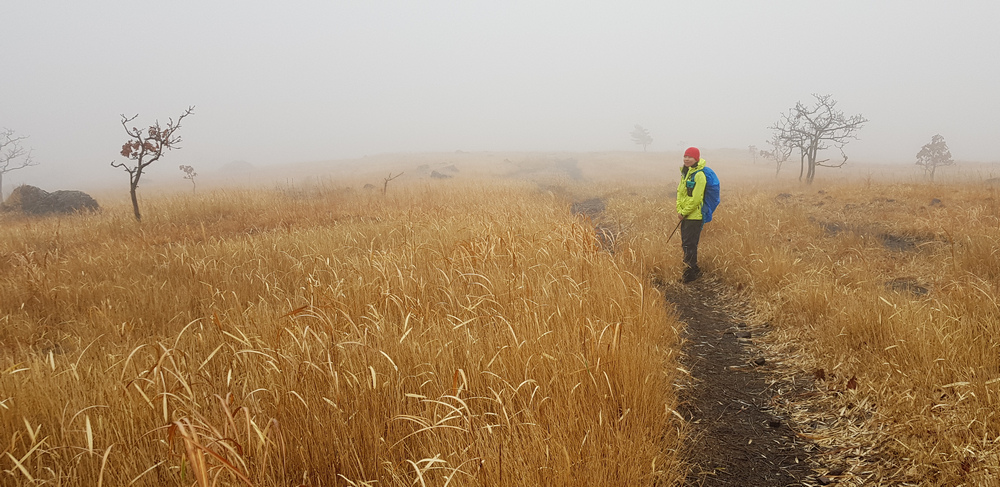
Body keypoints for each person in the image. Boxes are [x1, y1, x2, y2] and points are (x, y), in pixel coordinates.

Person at [676, 147, 707, 283]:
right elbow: (681, 193)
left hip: (694, 217)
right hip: (686, 215)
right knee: (687, 244)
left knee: (689, 244)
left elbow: (696, 199)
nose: (686, 159)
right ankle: (694, 270)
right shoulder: (686, 173)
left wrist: (684, 212)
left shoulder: (699, 175)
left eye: (690, 157)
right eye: (685, 156)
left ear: (696, 159)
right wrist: (679, 209)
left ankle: (689, 274)